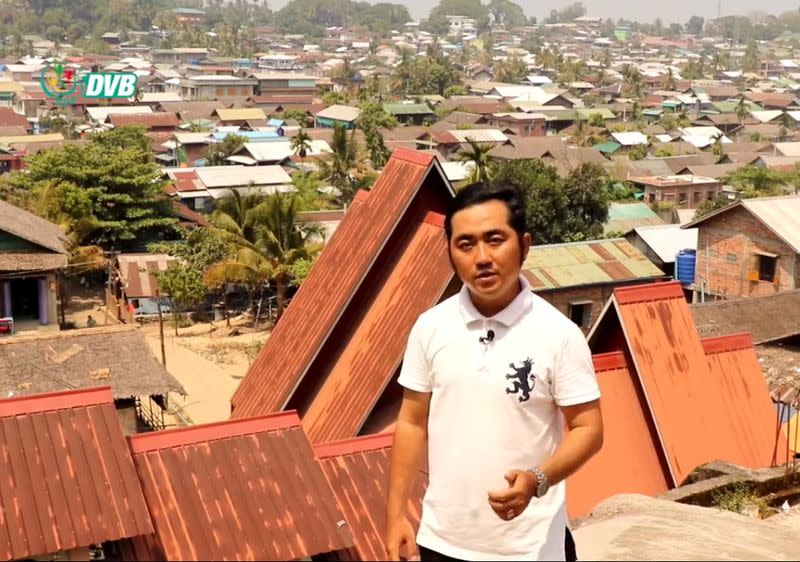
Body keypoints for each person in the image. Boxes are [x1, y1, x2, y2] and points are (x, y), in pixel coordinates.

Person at [385, 182, 604, 562]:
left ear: (525, 244)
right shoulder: (430, 327)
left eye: (495, 239)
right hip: (442, 541)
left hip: (532, 547)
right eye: (466, 244)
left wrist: (538, 479)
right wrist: (396, 514)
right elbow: (411, 422)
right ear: (451, 253)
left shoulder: (559, 334)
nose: (482, 257)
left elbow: (589, 429)